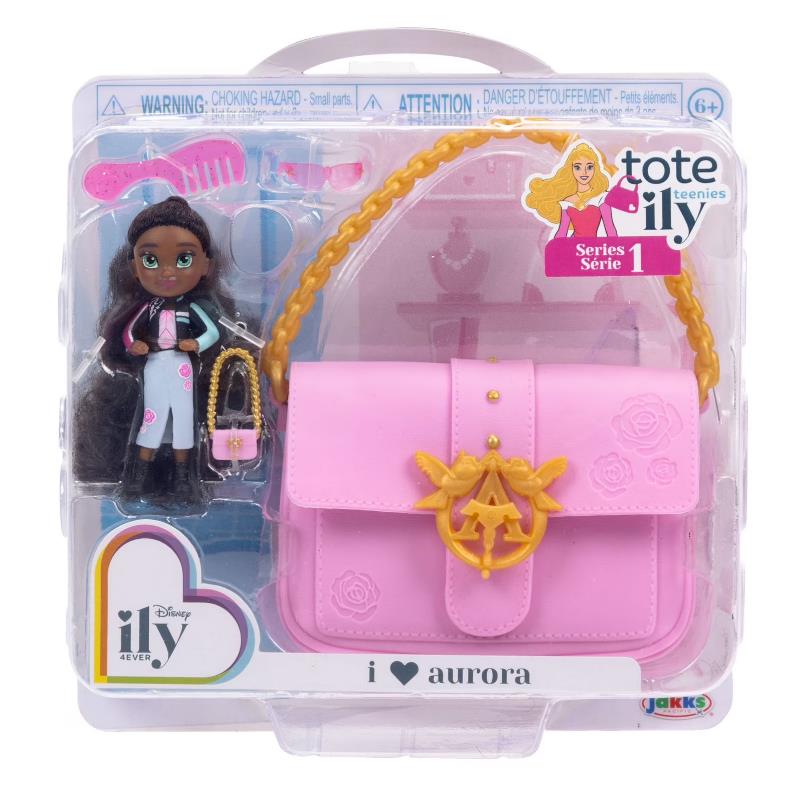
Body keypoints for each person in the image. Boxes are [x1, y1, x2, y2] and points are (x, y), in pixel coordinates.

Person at [75, 196, 231, 507]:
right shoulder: (149, 308)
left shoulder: (193, 308)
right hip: (155, 363)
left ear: (205, 265)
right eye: (150, 260)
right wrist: (135, 345)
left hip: (183, 365)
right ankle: (136, 478)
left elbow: (213, 333)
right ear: (134, 267)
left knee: (184, 419)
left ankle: (185, 479)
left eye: (184, 259)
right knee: (153, 417)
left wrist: (196, 344)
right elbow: (128, 332)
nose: (168, 272)